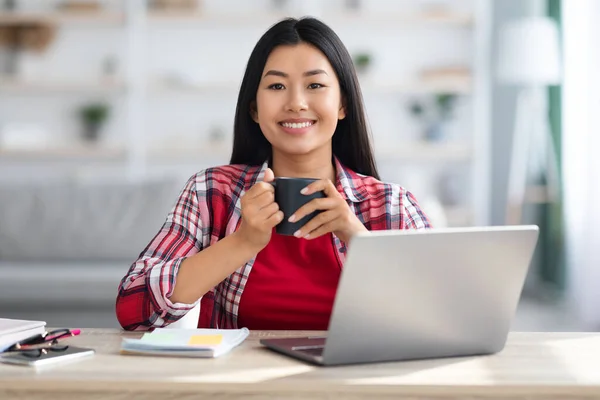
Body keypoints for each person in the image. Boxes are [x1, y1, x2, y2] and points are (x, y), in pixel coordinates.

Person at [116, 17, 431, 331]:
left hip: (352, 381)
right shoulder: (212, 192)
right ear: (254, 109)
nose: (296, 103)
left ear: (342, 105)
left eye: (315, 85)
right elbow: (133, 307)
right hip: (238, 381)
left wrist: (357, 237)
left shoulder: (392, 206)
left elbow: (447, 316)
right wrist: (242, 242)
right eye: (277, 86)